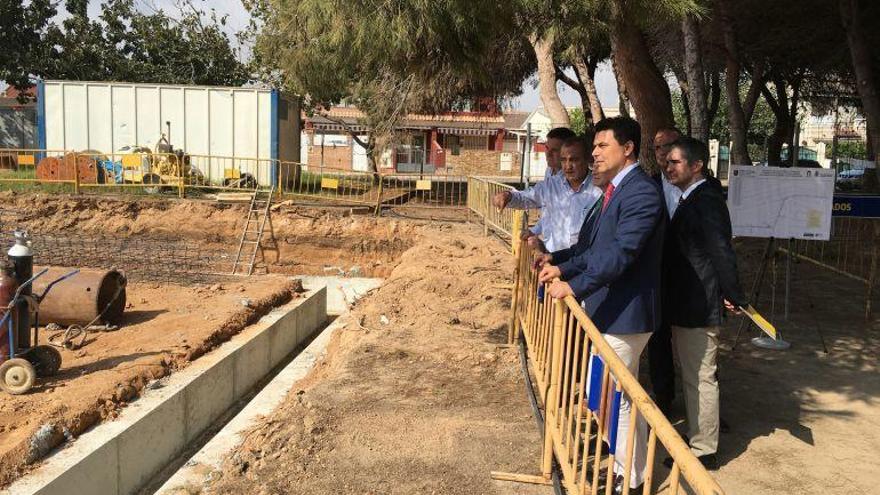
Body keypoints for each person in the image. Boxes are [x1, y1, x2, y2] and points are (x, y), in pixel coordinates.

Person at [537, 116, 665, 492]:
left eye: (601, 146)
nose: (593, 153)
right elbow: (592, 250)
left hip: (627, 312)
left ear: (627, 149)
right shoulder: (614, 191)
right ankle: (634, 466)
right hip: (609, 309)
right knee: (615, 395)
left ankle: (633, 478)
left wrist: (573, 286)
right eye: (593, 147)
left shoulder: (640, 192)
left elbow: (621, 254)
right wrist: (560, 265)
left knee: (608, 395)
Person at [661, 136, 748, 470]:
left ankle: (704, 450)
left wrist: (733, 294)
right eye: (667, 162)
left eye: (675, 162)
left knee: (701, 376)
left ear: (696, 166)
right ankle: (699, 435)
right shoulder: (690, 198)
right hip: (686, 301)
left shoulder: (707, 199)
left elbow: (721, 251)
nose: (668, 167)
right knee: (693, 375)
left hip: (699, 303)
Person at [493, 135, 602, 253]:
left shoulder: (600, 190)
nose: (568, 166)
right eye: (563, 160)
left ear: (587, 160)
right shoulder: (551, 185)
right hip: (552, 262)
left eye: (574, 160)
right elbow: (525, 197)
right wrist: (507, 196)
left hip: (585, 264)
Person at [647, 127, 681, 416]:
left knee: (696, 347)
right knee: (659, 341)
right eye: (658, 148)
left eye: (669, 145)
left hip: (689, 279)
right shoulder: (647, 187)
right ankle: (664, 397)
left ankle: (705, 409)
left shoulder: (699, 185)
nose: (663, 151)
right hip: (657, 276)